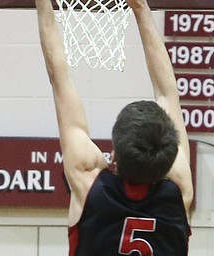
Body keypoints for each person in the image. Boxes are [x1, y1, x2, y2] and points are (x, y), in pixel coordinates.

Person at [35, 0, 194, 255]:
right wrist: (141, 8)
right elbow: (168, 95)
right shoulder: (178, 190)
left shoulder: (90, 185)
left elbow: (58, 76)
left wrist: (42, 4)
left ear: (114, 156)